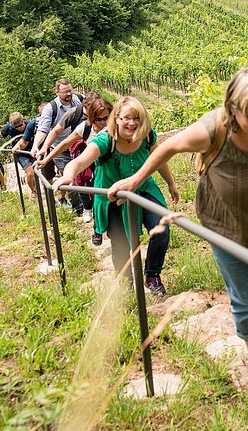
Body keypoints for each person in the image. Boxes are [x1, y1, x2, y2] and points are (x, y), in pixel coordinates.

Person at [108, 67, 248, 389]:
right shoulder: (213, 129)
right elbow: (167, 147)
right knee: (241, 297)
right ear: (233, 110)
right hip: (226, 228)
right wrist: (135, 181)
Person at [53, 95, 178, 295]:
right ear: (117, 118)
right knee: (121, 244)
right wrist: (68, 176)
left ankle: (152, 275)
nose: (132, 123)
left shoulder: (147, 136)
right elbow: (79, 162)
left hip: (143, 188)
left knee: (161, 229)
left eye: (137, 118)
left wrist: (171, 184)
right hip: (112, 195)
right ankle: (126, 285)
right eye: (127, 118)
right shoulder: (105, 140)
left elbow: (159, 159)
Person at [38, 93, 111, 223]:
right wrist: (46, 157)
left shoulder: (115, 124)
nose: (103, 121)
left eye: (106, 117)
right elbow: (64, 142)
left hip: (111, 166)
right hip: (90, 161)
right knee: (84, 185)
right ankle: (94, 220)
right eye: (99, 118)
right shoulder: (81, 123)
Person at [32, 78, 82, 204]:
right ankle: (78, 209)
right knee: (71, 178)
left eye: (70, 91)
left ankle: (84, 205)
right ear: (57, 92)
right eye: (65, 92)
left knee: (83, 176)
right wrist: (36, 146)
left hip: (79, 147)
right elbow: (43, 130)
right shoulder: (51, 108)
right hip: (61, 149)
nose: (69, 94)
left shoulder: (79, 99)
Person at [0, 111, 38, 194]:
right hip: (20, 154)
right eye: (16, 127)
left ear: (23, 121)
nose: (19, 128)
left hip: (32, 151)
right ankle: (34, 192)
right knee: (30, 173)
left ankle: (36, 190)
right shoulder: (9, 128)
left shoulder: (30, 125)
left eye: (21, 125)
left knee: (35, 174)